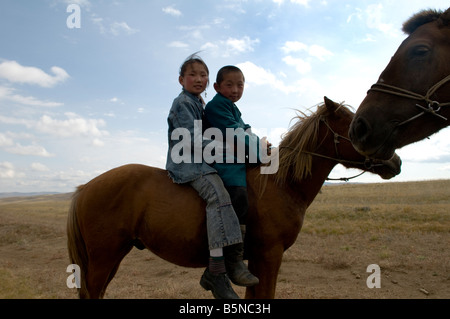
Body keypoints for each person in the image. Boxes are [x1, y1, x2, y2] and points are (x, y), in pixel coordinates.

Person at [165, 55, 258, 299]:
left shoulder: (199, 103)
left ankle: (231, 260)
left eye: (203, 75)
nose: (198, 79)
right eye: (192, 75)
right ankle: (217, 271)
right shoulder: (183, 103)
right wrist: (232, 150)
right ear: (181, 79)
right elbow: (191, 140)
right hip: (187, 162)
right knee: (219, 196)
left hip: (202, 159)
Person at [204, 65, 270, 287]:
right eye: (229, 85)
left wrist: (259, 143)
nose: (235, 89)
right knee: (239, 197)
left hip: (234, 158)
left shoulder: (231, 107)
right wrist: (259, 149)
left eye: (240, 85)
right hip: (224, 163)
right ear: (217, 87)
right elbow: (238, 136)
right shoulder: (216, 107)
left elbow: (246, 130)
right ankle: (233, 261)